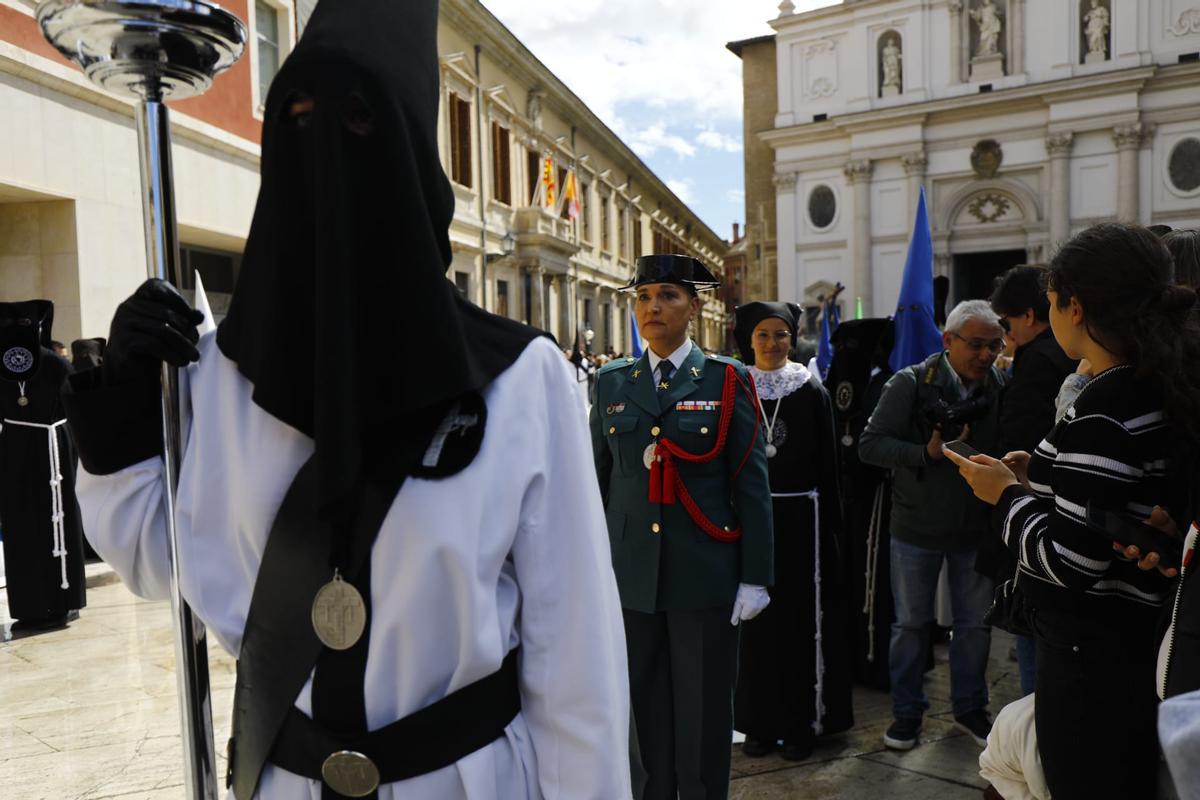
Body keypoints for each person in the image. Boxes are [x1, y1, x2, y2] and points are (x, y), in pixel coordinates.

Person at [63, 2, 631, 797]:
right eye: (296, 116)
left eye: (358, 118)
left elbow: (576, 666)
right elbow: (160, 561)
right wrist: (124, 406)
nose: (323, 145)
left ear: (407, 149)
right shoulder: (220, 373)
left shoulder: (519, 382)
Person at [945, 223, 1200, 800]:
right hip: (1128, 642)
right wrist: (1039, 476)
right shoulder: (1147, 385)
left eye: (1051, 302)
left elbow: (1070, 557)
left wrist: (1003, 495)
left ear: (1075, 308)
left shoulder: (1104, 407)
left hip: (1090, 657)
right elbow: (1104, 502)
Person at [590, 254, 773, 800]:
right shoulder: (611, 381)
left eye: (667, 295)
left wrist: (755, 576)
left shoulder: (726, 378)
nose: (653, 307)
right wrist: (592, 571)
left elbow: (750, 484)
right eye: (643, 297)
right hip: (632, 580)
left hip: (704, 576)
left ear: (694, 307)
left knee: (702, 715)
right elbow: (597, 484)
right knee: (641, 716)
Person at [858, 300, 1006, 751]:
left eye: (995, 347)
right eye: (977, 345)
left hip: (974, 528)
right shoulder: (909, 383)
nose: (986, 356)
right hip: (915, 529)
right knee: (910, 626)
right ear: (948, 341)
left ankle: (969, 708)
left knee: (975, 625)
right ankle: (906, 715)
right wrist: (926, 453)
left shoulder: (1001, 385)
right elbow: (869, 445)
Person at [730, 301, 853, 762]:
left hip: (804, 524)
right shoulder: (737, 388)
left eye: (780, 334)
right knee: (757, 629)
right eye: (762, 334)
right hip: (749, 523)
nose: (772, 343)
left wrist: (832, 531)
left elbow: (829, 466)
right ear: (748, 339)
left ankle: (801, 723)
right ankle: (759, 725)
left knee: (801, 625)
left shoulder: (811, 390)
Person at [988, 266, 1078, 695]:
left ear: (1029, 316)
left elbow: (1024, 432)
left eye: (1005, 325)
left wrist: (1008, 477)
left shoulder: (1039, 360)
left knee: (1034, 651)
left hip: (1036, 511)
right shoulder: (1062, 358)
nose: (1004, 337)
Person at [0, 300, 86, 634]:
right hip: (53, 446)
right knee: (57, 521)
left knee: (25, 524)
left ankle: (31, 605)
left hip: (16, 448)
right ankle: (65, 599)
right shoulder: (54, 363)